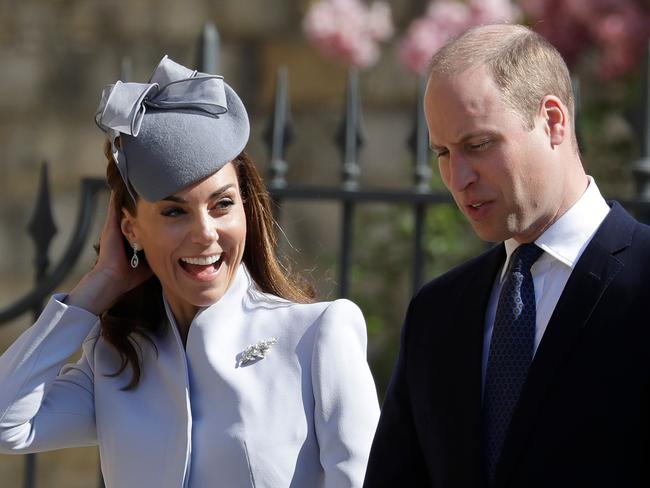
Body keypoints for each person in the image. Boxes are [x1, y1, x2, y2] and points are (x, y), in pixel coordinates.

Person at [0, 56, 380, 488]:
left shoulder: (317, 335)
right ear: (131, 229)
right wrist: (101, 284)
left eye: (222, 205)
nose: (205, 234)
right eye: (174, 212)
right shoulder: (114, 359)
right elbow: (5, 422)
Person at [364, 24, 650, 488]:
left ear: (553, 121)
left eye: (478, 145)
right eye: (442, 152)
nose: (457, 177)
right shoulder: (437, 314)